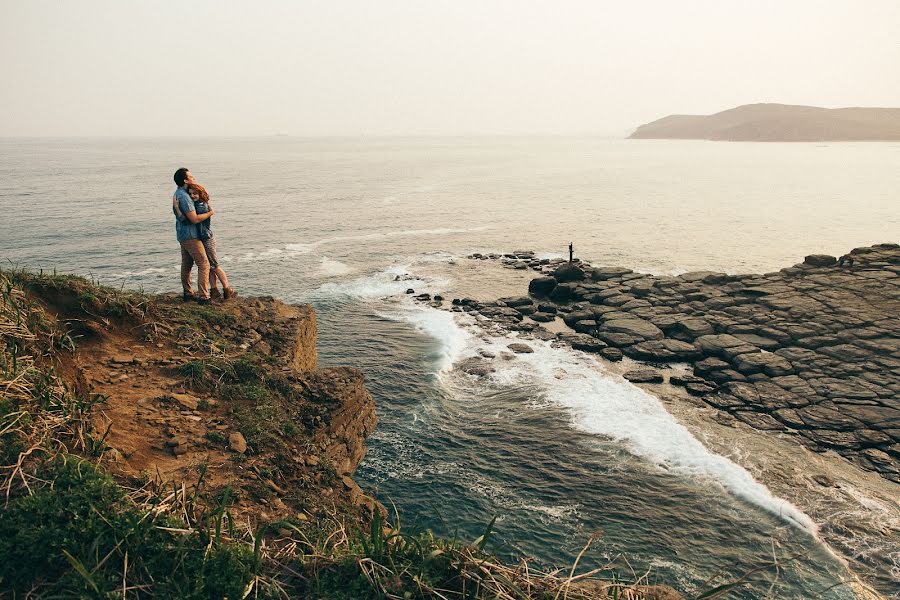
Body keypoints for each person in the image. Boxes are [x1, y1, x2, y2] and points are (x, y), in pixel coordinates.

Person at [186, 182, 236, 300]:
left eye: (195, 193)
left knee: (214, 265)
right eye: (190, 194)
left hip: (206, 239)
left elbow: (195, 219)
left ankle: (227, 289)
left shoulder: (201, 206)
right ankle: (214, 290)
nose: (192, 196)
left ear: (200, 193)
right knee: (208, 266)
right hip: (202, 238)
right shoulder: (197, 204)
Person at [172, 167, 213, 303]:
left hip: (182, 234)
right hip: (190, 235)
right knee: (204, 264)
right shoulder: (185, 197)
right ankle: (203, 296)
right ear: (185, 180)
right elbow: (194, 219)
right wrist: (210, 213)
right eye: (191, 177)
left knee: (187, 264)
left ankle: (188, 293)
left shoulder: (178, 194)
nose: (193, 178)